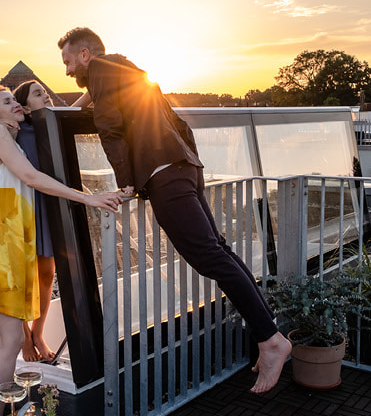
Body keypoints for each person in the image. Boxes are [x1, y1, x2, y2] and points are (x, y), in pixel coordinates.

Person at [56, 27, 294, 394]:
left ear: (86, 55)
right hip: (184, 167)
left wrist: (126, 182)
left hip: (164, 177)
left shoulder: (104, 71)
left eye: (69, 62)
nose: (68, 72)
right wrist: (70, 107)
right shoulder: (123, 69)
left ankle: (270, 339)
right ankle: (269, 333)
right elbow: (103, 98)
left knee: (212, 259)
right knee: (221, 253)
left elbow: (110, 128)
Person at [0, 85, 120, 416]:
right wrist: (87, 198)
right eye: (7, 101)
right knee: (12, 339)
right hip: (0, 249)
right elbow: (31, 177)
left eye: (16, 100)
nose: (15, 105)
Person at [11, 80, 62, 363]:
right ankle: (24, 337)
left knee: (47, 274)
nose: (47, 96)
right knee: (22, 277)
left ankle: (38, 333)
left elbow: (76, 109)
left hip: (47, 204)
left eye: (47, 91)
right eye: (39, 93)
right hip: (24, 207)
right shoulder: (14, 132)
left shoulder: (51, 125)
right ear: (25, 106)